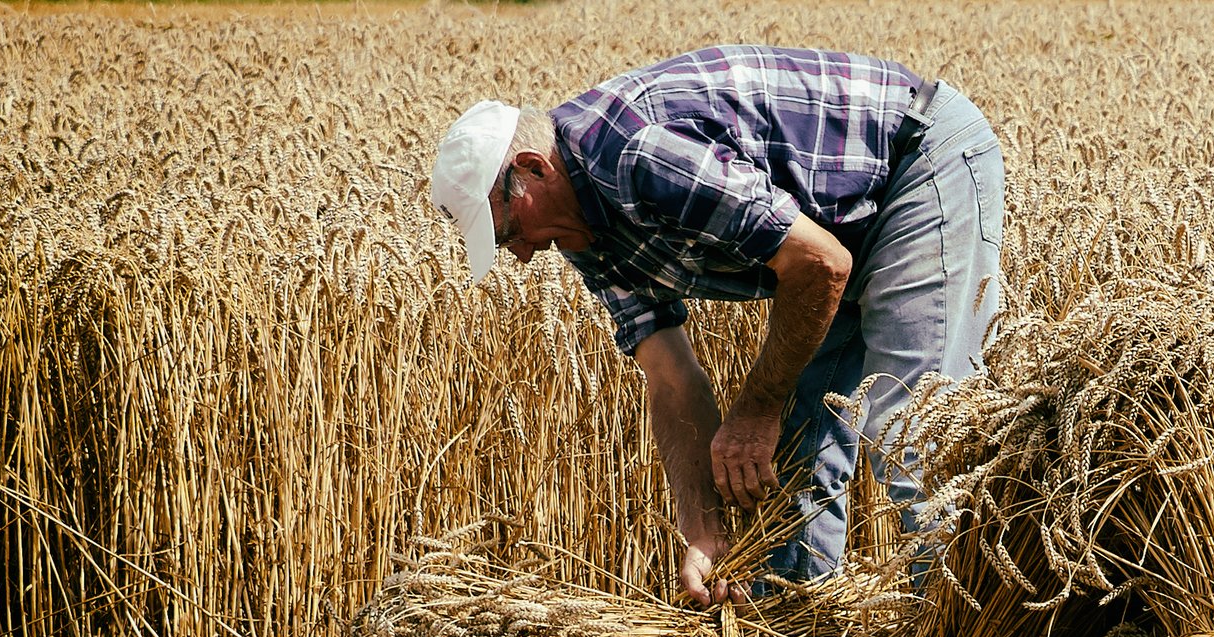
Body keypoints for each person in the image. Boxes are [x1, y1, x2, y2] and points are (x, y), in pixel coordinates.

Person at [429, 46, 1004, 605]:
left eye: (509, 234)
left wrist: (755, 410)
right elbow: (671, 378)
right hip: (834, 232)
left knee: (915, 432)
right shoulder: (583, 234)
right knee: (800, 454)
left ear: (533, 169)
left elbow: (820, 264)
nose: (523, 256)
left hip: (915, 164)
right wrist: (703, 530)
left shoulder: (636, 154)